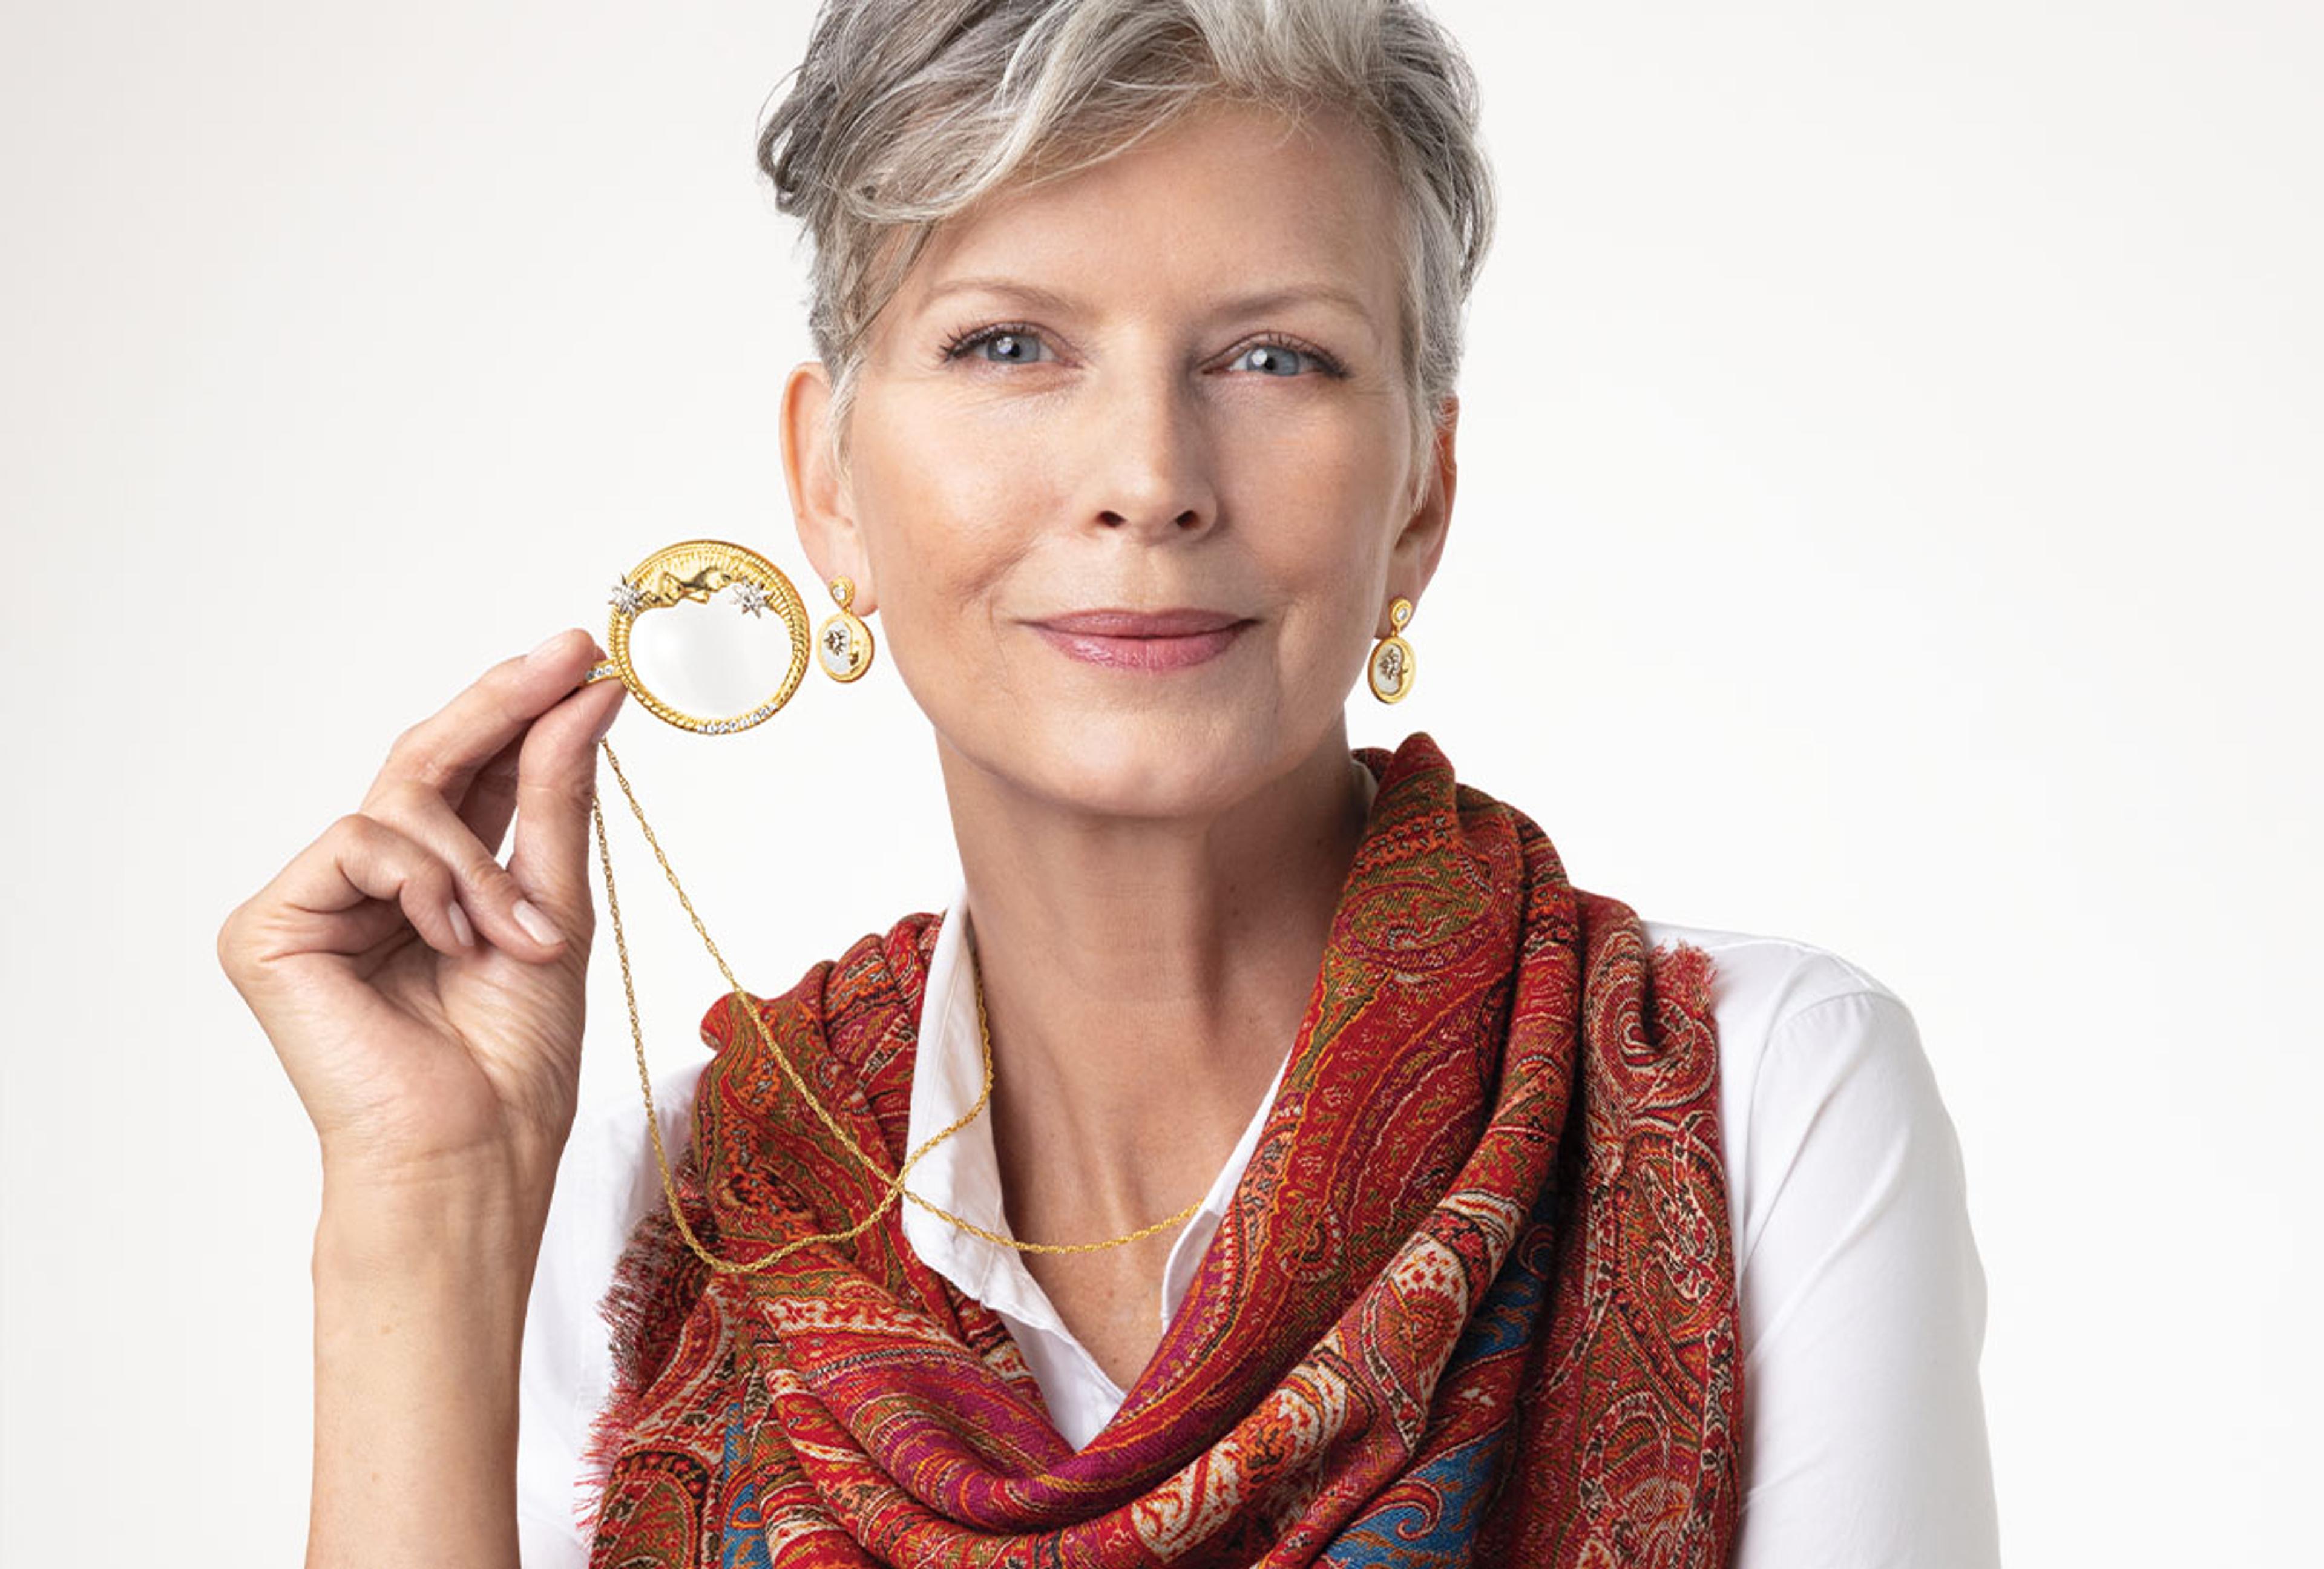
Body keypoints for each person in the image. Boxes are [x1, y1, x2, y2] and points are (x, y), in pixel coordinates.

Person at [217, 1, 2000, 1564]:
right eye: (1011, 346)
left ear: (1423, 499)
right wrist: (429, 1213)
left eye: (1274, 357)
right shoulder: (667, 1215)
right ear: (831, 488)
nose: (1148, 477)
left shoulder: (1752, 1103)